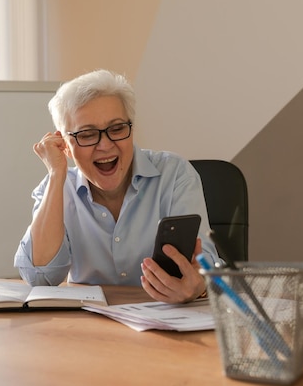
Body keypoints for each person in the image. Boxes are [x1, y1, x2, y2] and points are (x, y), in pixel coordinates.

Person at [14, 69, 220, 304]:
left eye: (117, 128)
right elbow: (40, 277)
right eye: (87, 134)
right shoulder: (56, 187)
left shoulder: (174, 174)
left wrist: (197, 286)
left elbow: (208, 266)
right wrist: (55, 174)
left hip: (167, 323)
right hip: (91, 328)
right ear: (66, 146)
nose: (105, 144)